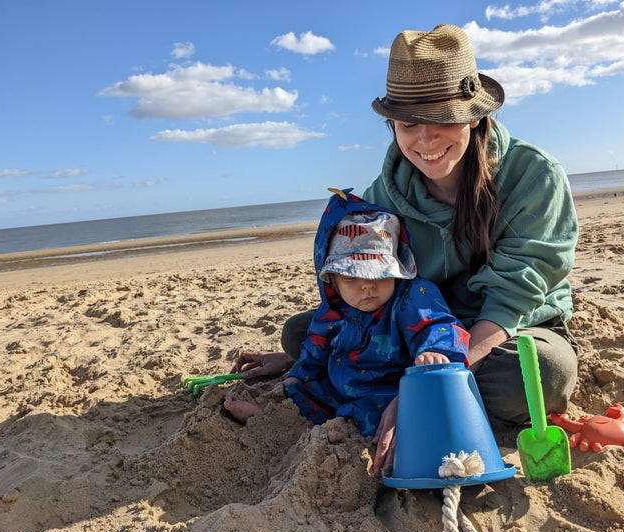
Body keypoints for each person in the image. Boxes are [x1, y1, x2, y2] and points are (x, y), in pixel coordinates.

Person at [232, 24, 579, 476]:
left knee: (541, 373)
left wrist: (425, 389)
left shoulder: (534, 175)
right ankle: (371, 383)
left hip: (506, 329)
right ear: (391, 124)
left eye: (442, 118)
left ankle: (405, 393)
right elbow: (370, 288)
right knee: (301, 333)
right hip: (415, 329)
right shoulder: (383, 197)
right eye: (409, 123)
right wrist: (309, 359)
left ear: (474, 116)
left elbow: (514, 295)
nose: (426, 140)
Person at [225, 188, 470, 437]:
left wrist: (434, 350)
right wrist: (298, 376)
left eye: (379, 273)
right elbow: (314, 348)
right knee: (299, 393)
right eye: (352, 277)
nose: (367, 285)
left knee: (373, 416)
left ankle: (339, 432)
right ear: (331, 280)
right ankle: (269, 418)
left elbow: (438, 324)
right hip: (337, 386)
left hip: (386, 391)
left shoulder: (411, 297)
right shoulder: (334, 308)